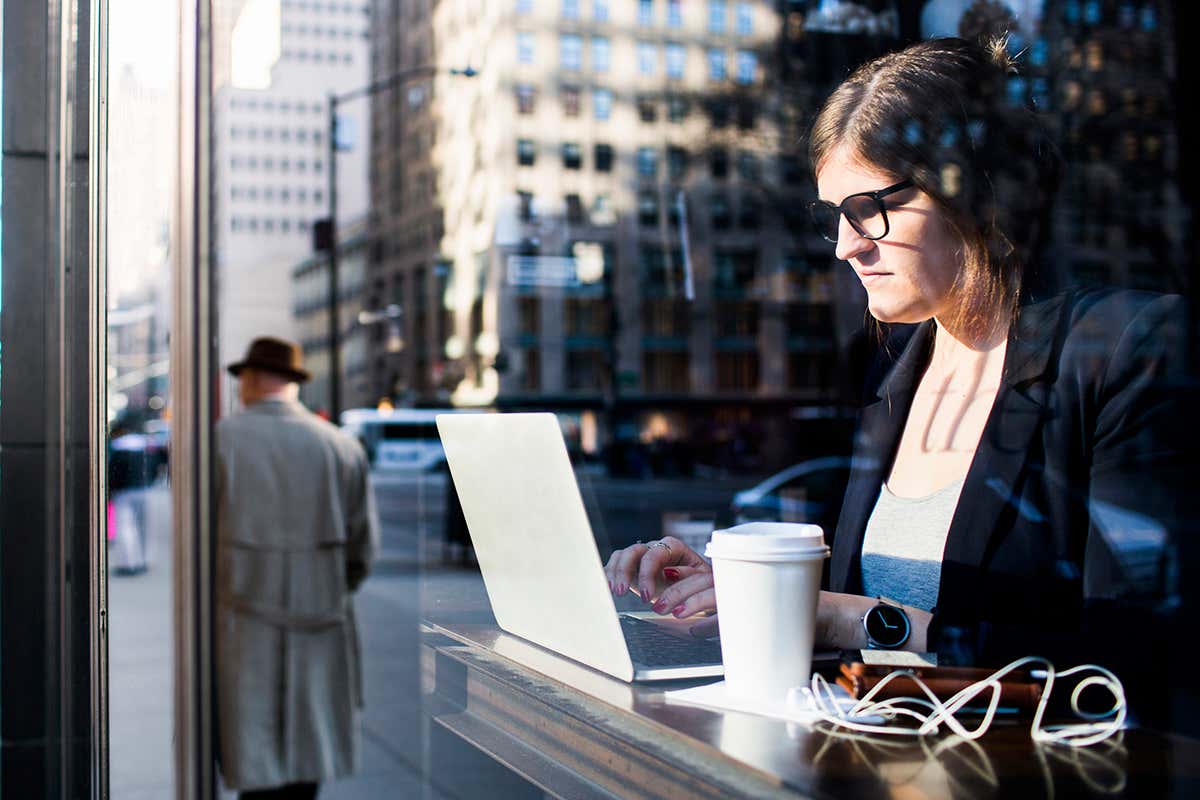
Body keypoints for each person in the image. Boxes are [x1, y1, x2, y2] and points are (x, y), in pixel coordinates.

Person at [605, 37, 1193, 726]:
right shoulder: (893, 372)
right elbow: (853, 610)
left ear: (975, 193)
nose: (848, 245)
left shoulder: (1126, 350)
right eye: (833, 219)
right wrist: (736, 588)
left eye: (869, 207)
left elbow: (1132, 661)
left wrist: (844, 619)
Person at [215, 336, 380, 799]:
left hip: (241, 638)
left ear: (248, 380)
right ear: (293, 383)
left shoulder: (218, 443)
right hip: (320, 635)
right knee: (307, 775)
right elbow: (363, 554)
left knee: (252, 772)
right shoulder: (342, 448)